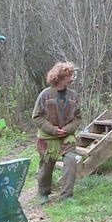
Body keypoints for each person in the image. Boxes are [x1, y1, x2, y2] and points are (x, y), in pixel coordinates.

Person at [32, 61, 81, 205]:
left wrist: (66, 130)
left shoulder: (73, 95)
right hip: (47, 138)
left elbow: (78, 118)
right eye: (69, 76)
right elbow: (37, 116)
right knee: (46, 166)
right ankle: (44, 193)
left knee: (71, 162)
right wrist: (53, 130)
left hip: (67, 137)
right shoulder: (45, 95)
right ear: (59, 77)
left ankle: (66, 195)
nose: (72, 78)